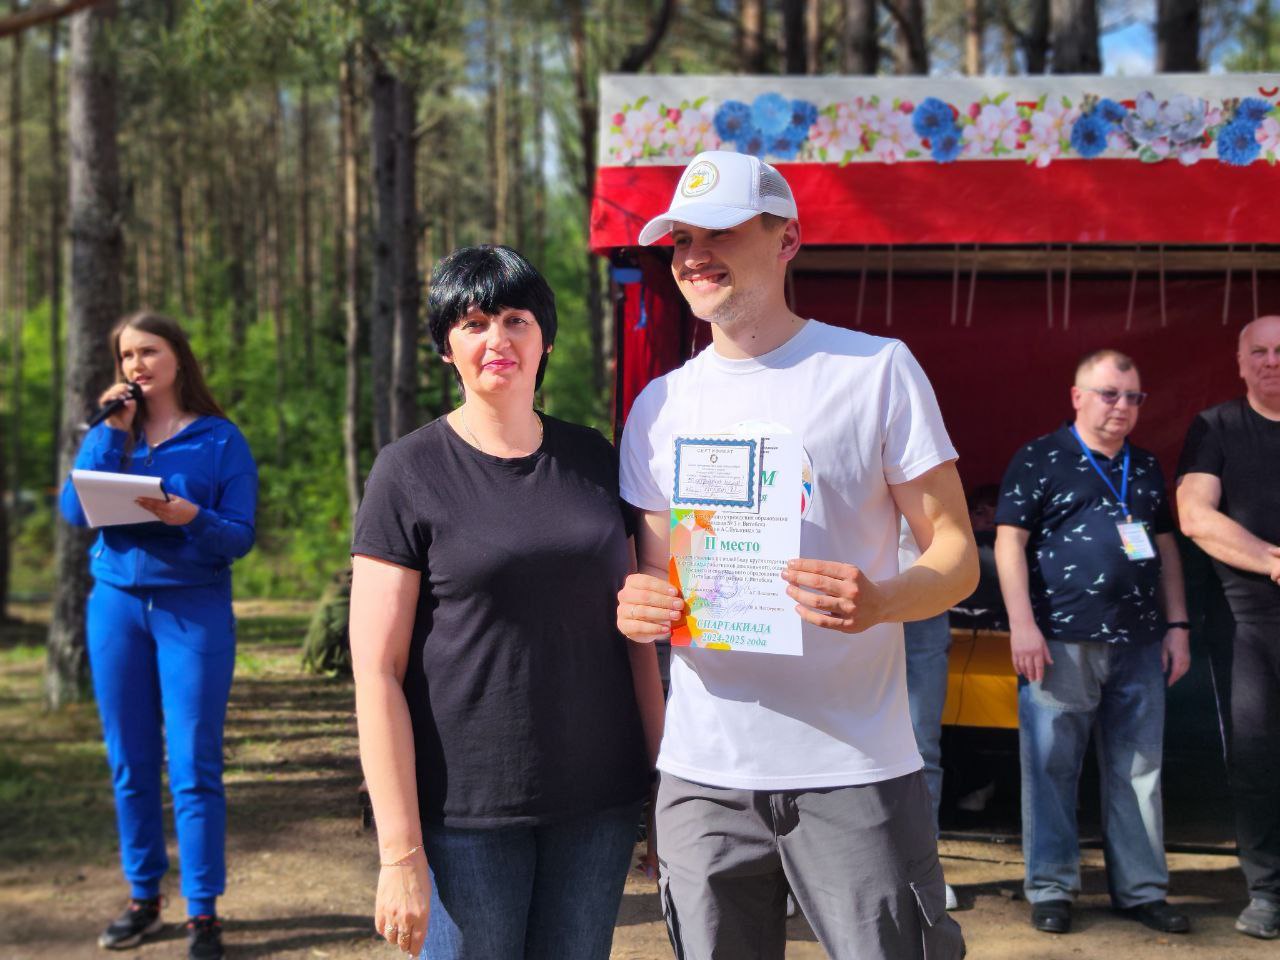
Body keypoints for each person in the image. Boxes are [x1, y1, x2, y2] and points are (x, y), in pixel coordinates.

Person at [615, 150, 975, 960]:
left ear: (787, 240)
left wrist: (882, 601)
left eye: (721, 233)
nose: (694, 256)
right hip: (704, 777)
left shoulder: (875, 370)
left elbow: (957, 555)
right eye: (681, 240)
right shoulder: (660, 405)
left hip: (854, 764)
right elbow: (656, 577)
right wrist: (639, 604)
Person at [349, 245, 664, 959]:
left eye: (517, 319)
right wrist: (399, 851)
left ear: (545, 339)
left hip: (599, 803)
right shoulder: (406, 471)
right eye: (474, 323)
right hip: (464, 813)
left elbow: (635, 639)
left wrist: (659, 782)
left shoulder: (596, 459)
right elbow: (377, 672)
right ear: (446, 348)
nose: (498, 339)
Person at [59, 312, 258, 960]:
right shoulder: (112, 433)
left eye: (148, 351)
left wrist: (190, 516)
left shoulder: (219, 439)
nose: (136, 365)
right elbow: (73, 509)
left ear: (178, 357)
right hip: (115, 610)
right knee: (131, 763)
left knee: (194, 765)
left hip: (192, 612)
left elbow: (239, 536)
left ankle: (203, 913)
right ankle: (143, 898)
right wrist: (109, 431)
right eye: (126, 356)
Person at [993, 349, 1191, 937]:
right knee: (1051, 768)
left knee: (1140, 770)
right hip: (1059, 640)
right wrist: (1022, 625)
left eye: (1133, 397)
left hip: (1140, 642)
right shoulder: (1041, 456)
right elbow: (1008, 542)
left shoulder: (1145, 464)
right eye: (1109, 394)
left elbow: (1166, 547)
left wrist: (1178, 626)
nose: (1122, 406)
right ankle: (1052, 888)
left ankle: (1142, 890)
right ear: (1077, 396)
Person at [1177, 315, 1280, 940]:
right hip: (1249, 629)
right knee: (1256, 759)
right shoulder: (1216, 427)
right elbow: (1193, 515)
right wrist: (1272, 560)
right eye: (1259, 352)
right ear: (1241, 364)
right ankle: (1268, 892)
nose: (1272, 361)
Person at [899, 526, 959, 911]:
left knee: (921, 748)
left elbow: (952, 536)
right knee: (821, 740)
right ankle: (795, 875)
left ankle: (922, 872)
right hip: (831, 596)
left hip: (920, 599)